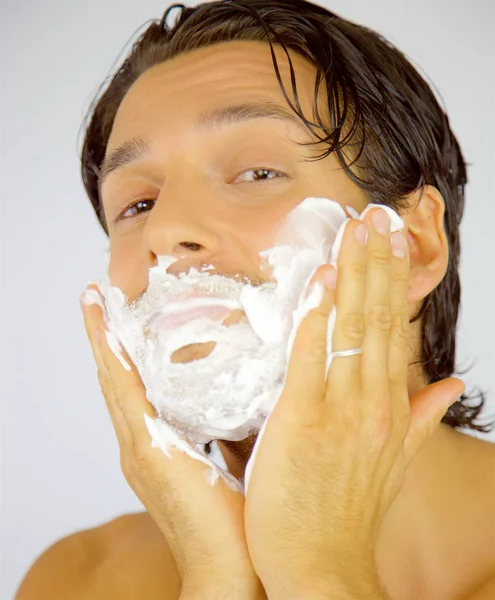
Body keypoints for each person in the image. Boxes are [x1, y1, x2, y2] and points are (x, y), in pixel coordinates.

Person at [15, 1, 495, 599]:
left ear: (414, 245)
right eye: (137, 205)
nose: (166, 231)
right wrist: (215, 581)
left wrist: (317, 568)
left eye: (257, 173)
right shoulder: (76, 581)